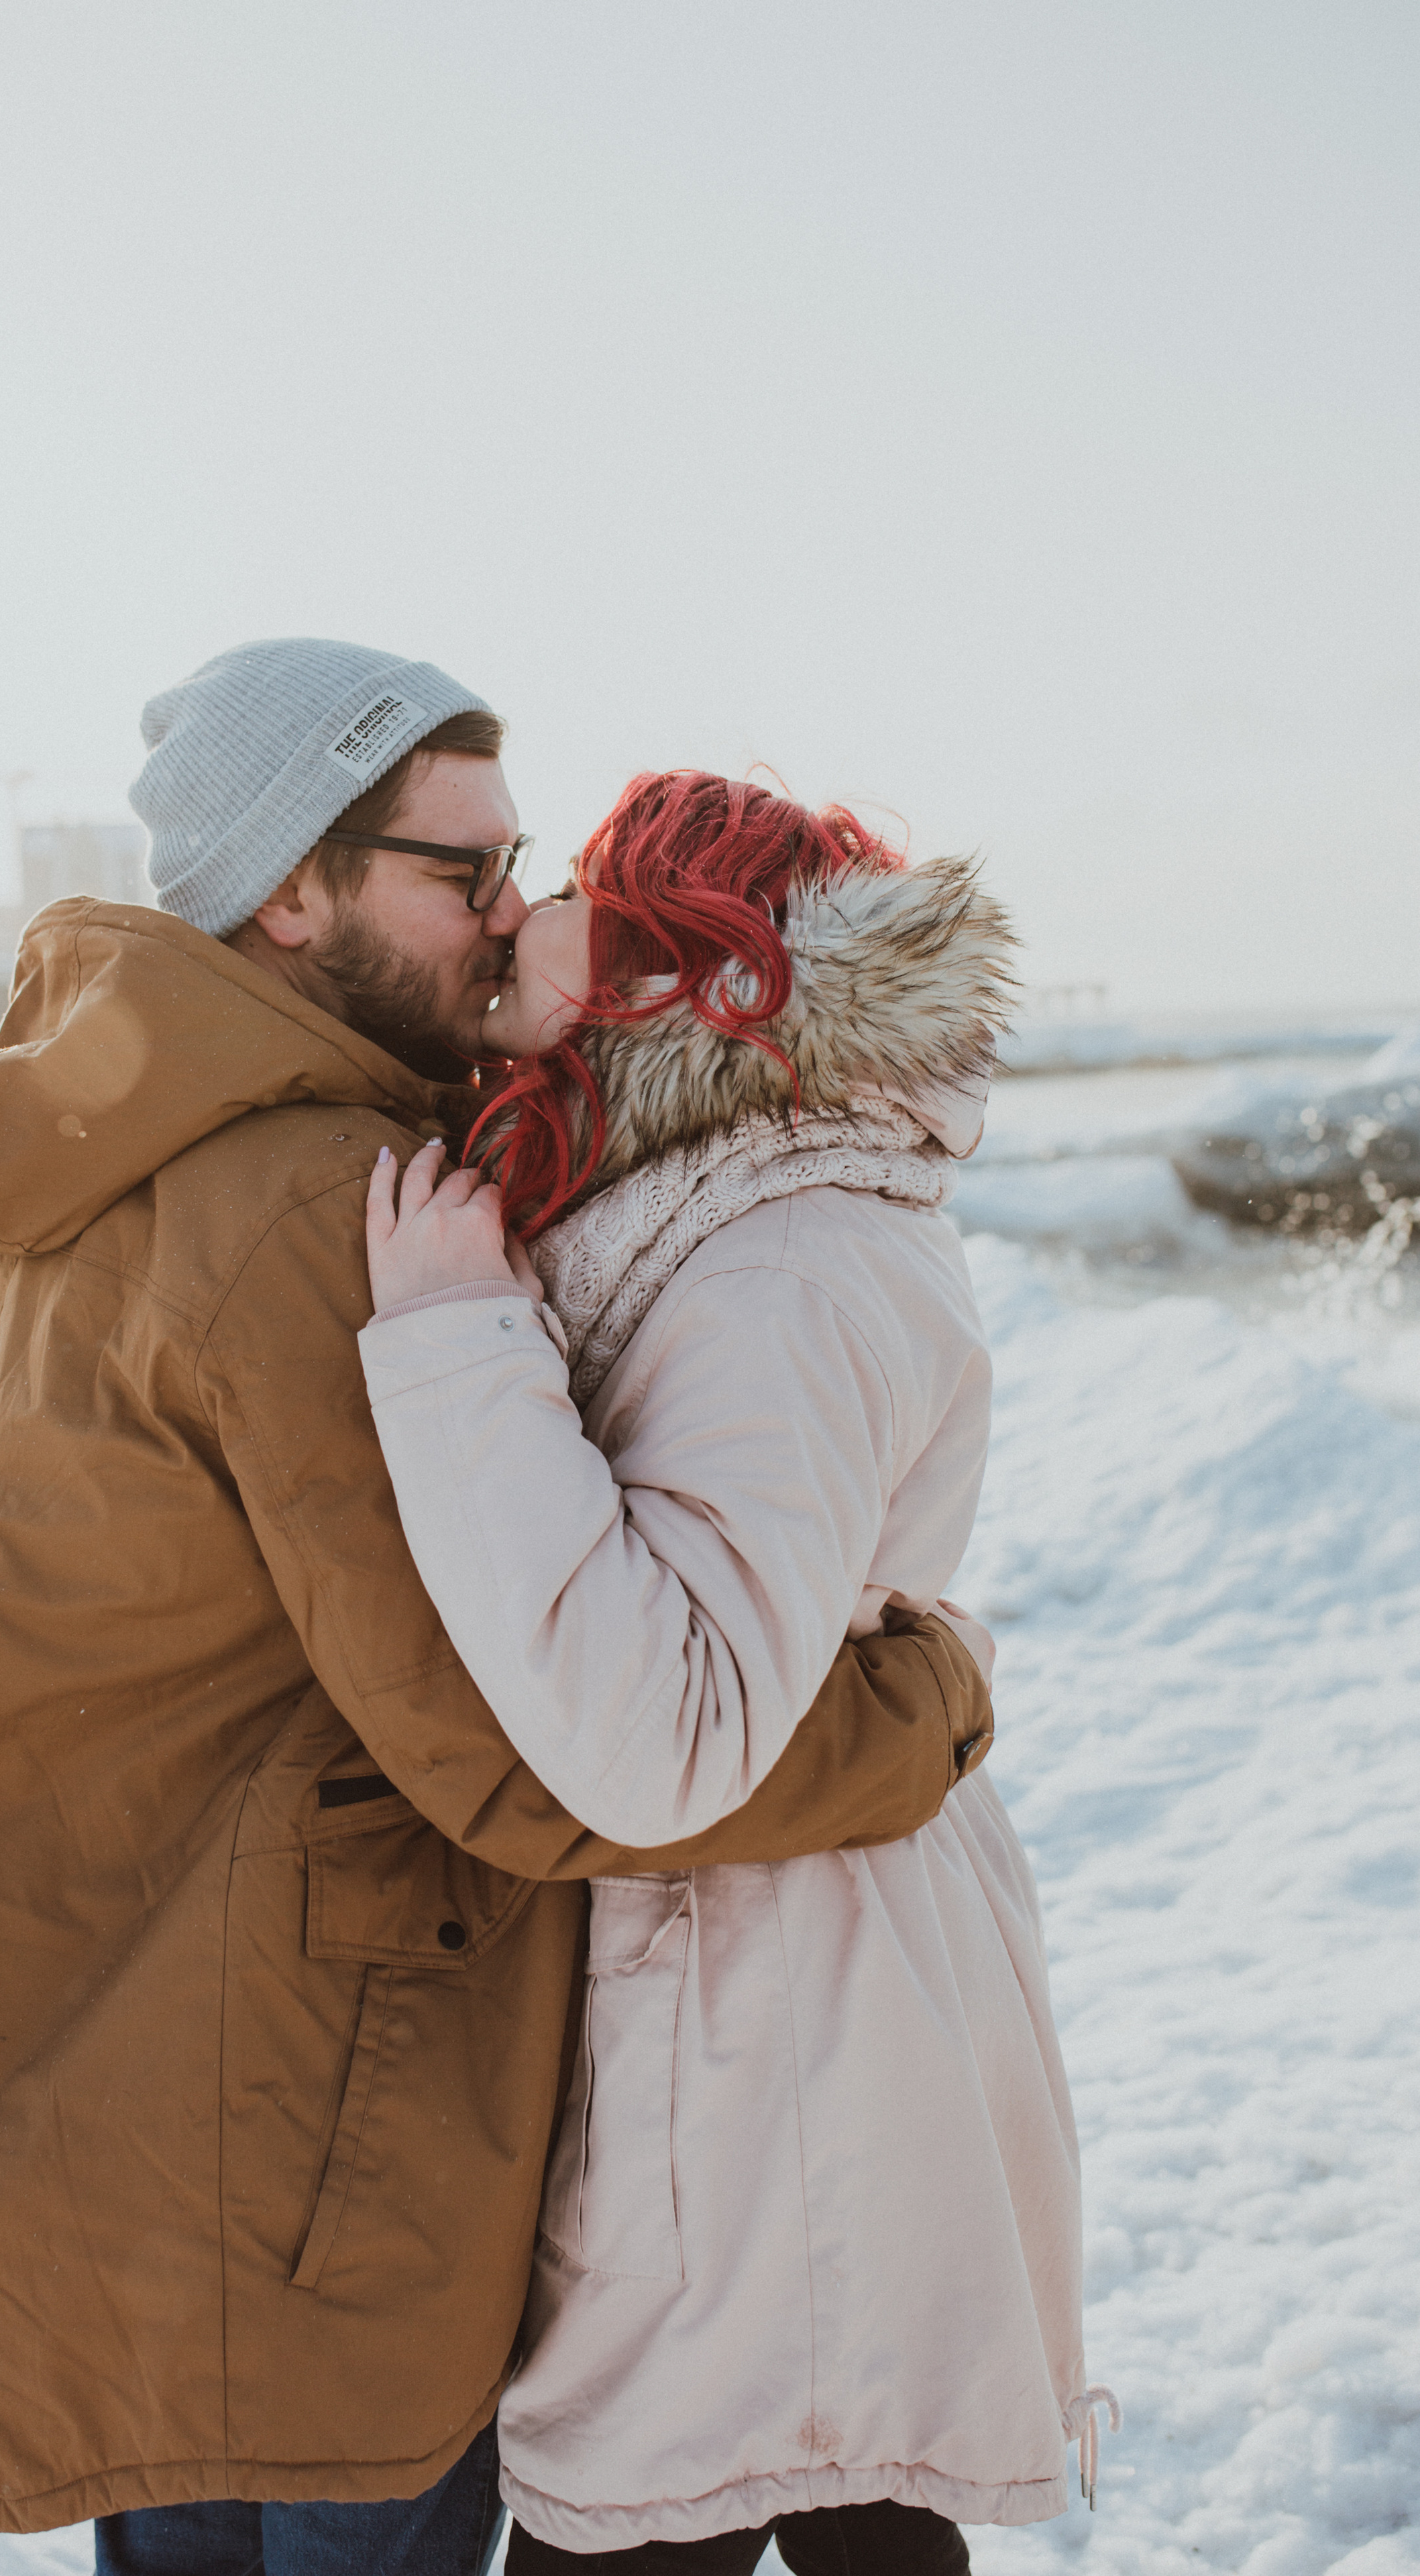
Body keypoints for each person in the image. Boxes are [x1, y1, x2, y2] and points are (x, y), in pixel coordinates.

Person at [0, 644, 995, 2576]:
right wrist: (925, 1710)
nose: (516, 917)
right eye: (460, 876)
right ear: (291, 891)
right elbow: (534, 1762)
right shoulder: (314, 1206)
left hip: (76, 2099)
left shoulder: (46, 1168)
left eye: (521, 861)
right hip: (305, 2146)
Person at [360, 769, 1116, 2573]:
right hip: (796, 1988)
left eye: (588, 886)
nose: (532, 907)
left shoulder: (781, 1258)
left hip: (779, 2019)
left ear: (678, 961)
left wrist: (460, 1346)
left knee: (673, 2515)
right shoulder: (727, 1189)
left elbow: (668, 1726)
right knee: (855, 2511)